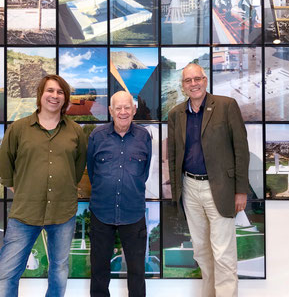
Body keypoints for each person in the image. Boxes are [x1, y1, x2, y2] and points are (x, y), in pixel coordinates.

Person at [0, 74, 87, 297]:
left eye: (60, 92)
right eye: (50, 91)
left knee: (59, 270)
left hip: (62, 212)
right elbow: (5, 167)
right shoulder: (18, 129)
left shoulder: (76, 131)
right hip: (25, 212)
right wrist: (25, 190)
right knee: (8, 273)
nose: (54, 96)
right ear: (40, 95)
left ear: (65, 98)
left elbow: (77, 168)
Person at [168, 63, 249, 297]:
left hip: (221, 188)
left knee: (223, 253)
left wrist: (241, 190)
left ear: (205, 80)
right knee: (202, 253)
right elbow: (173, 156)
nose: (193, 84)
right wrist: (177, 195)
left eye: (197, 79)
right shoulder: (176, 114)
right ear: (182, 86)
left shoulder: (226, 106)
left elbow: (240, 149)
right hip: (190, 188)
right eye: (188, 81)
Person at [87, 91, 152, 297]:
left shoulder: (144, 136)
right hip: (101, 212)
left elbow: (145, 172)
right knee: (98, 271)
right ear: (110, 111)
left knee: (136, 272)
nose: (123, 112)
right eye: (118, 108)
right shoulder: (96, 136)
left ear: (134, 110)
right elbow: (92, 170)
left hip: (133, 212)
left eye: (127, 107)